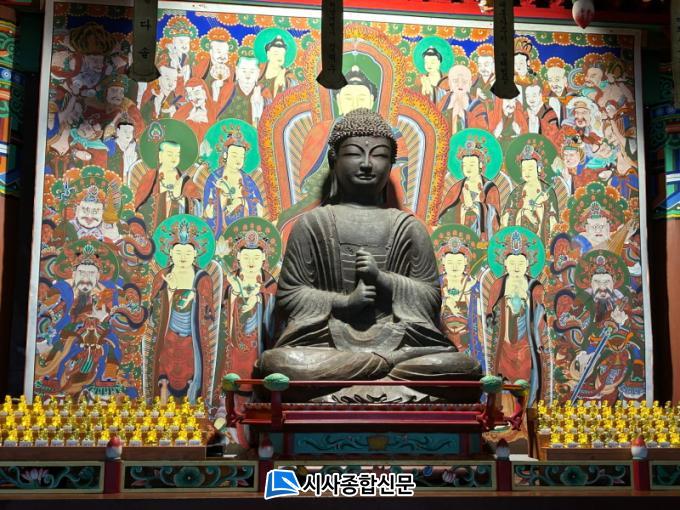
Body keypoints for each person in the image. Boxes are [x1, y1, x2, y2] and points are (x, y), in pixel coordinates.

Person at [256, 108, 482, 403]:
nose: (366, 164)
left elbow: (429, 297)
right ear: (333, 160)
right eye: (354, 154)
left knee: (462, 366)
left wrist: (383, 280)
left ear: (391, 163)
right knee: (278, 364)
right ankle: (386, 370)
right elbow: (290, 296)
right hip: (326, 345)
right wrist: (345, 303)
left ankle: (375, 368)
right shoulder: (313, 224)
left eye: (379, 155)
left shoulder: (408, 227)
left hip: (401, 343)